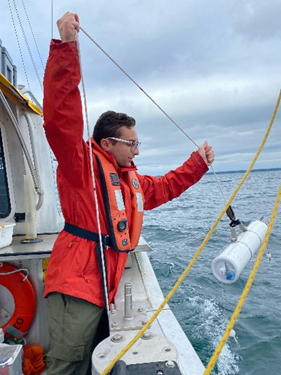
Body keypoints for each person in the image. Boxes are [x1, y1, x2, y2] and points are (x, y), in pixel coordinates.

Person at [43, 11, 215, 375]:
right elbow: (61, 118)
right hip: (77, 284)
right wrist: (66, 48)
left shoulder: (128, 180)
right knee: (65, 366)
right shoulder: (81, 167)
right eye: (131, 144)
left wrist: (197, 163)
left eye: (139, 144)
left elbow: (165, 186)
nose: (138, 152)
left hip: (103, 282)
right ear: (107, 142)